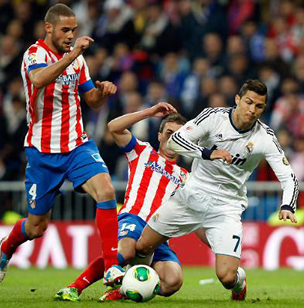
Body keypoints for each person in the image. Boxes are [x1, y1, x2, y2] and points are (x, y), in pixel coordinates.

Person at [0, 4, 121, 284]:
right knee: (37, 226)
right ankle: (6, 246)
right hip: (42, 152)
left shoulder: (78, 61)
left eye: (74, 30)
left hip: (77, 145)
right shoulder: (34, 54)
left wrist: (103, 92)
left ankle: (112, 267)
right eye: (65, 30)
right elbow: (38, 79)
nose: (71, 35)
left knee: (106, 190)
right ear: (48, 28)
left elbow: (92, 101)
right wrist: (72, 55)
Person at [135, 79, 299, 301]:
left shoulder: (265, 138)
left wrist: (288, 204)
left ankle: (239, 283)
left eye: (259, 106)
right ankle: (134, 284)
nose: (252, 110)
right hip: (191, 195)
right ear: (237, 100)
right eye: (248, 102)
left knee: (226, 276)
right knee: (142, 246)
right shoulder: (213, 117)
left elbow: (288, 177)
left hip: (226, 206)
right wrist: (206, 152)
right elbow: (175, 141)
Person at [55, 103, 208, 302]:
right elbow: (114, 127)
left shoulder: (186, 178)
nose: (173, 139)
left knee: (173, 280)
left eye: (179, 136)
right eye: (169, 133)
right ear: (159, 136)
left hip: (159, 235)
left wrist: (219, 248)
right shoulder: (143, 152)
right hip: (134, 218)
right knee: (125, 251)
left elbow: (194, 219)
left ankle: (124, 290)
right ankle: (74, 287)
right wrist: (150, 112)